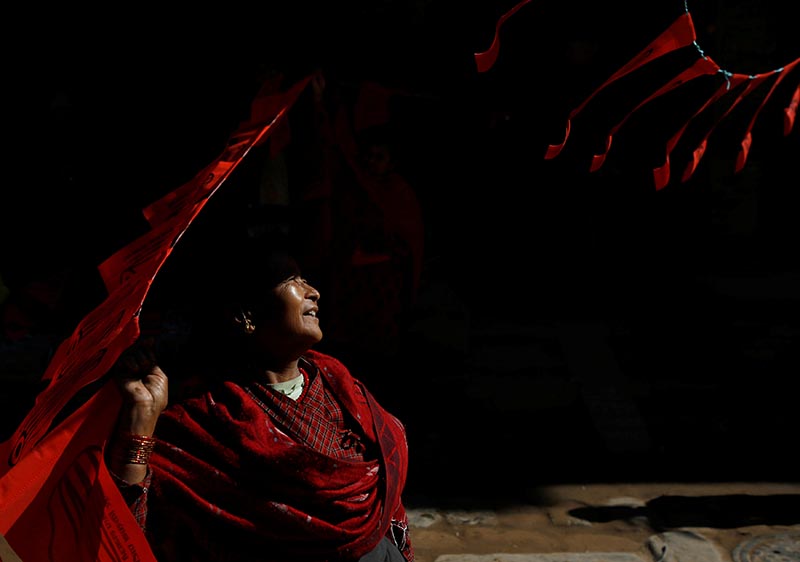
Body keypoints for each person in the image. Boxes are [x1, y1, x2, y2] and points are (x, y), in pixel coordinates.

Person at [106, 235, 414, 562]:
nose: (314, 291)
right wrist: (142, 416)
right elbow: (130, 525)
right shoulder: (203, 418)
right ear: (246, 317)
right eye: (292, 281)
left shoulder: (343, 388)